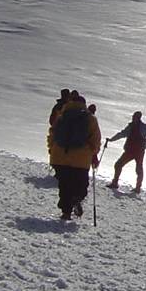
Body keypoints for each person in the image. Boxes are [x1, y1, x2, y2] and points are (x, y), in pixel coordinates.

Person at [47, 90, 100, 220]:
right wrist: (93, 154)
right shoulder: (90, 119)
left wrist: (52, 150)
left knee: (64, 186)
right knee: (81, 184)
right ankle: (77, 198)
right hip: (81, 160)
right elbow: (95, 140)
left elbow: (52, 135)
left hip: (59, 157)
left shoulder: (61, 115)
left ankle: (66, 212)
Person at [105, 111, 146, 193]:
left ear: (138, 117)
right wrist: (111, 139)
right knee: (123, 165)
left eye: (134, 117)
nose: (133, 118)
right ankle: (136, 188)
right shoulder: (140, 127)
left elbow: (122, 134)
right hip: (136, 150)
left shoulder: (135, 126)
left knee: (122, 165)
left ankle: (131, 186)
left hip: (133, 151)